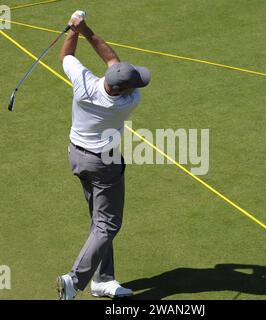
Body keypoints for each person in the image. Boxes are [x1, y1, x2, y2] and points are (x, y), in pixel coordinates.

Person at [56, 11, 151, 300]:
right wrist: (87, 31)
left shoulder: (84, 84)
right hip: (103, 164)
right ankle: (75, 280)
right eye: (135, 82)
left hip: (77, 155)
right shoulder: (129, 101)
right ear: (124, 90)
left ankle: (103, 279)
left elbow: (66, 56)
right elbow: (112, 59)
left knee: (99, 220)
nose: (138, 86)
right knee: (108, 223)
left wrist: (75, 29)